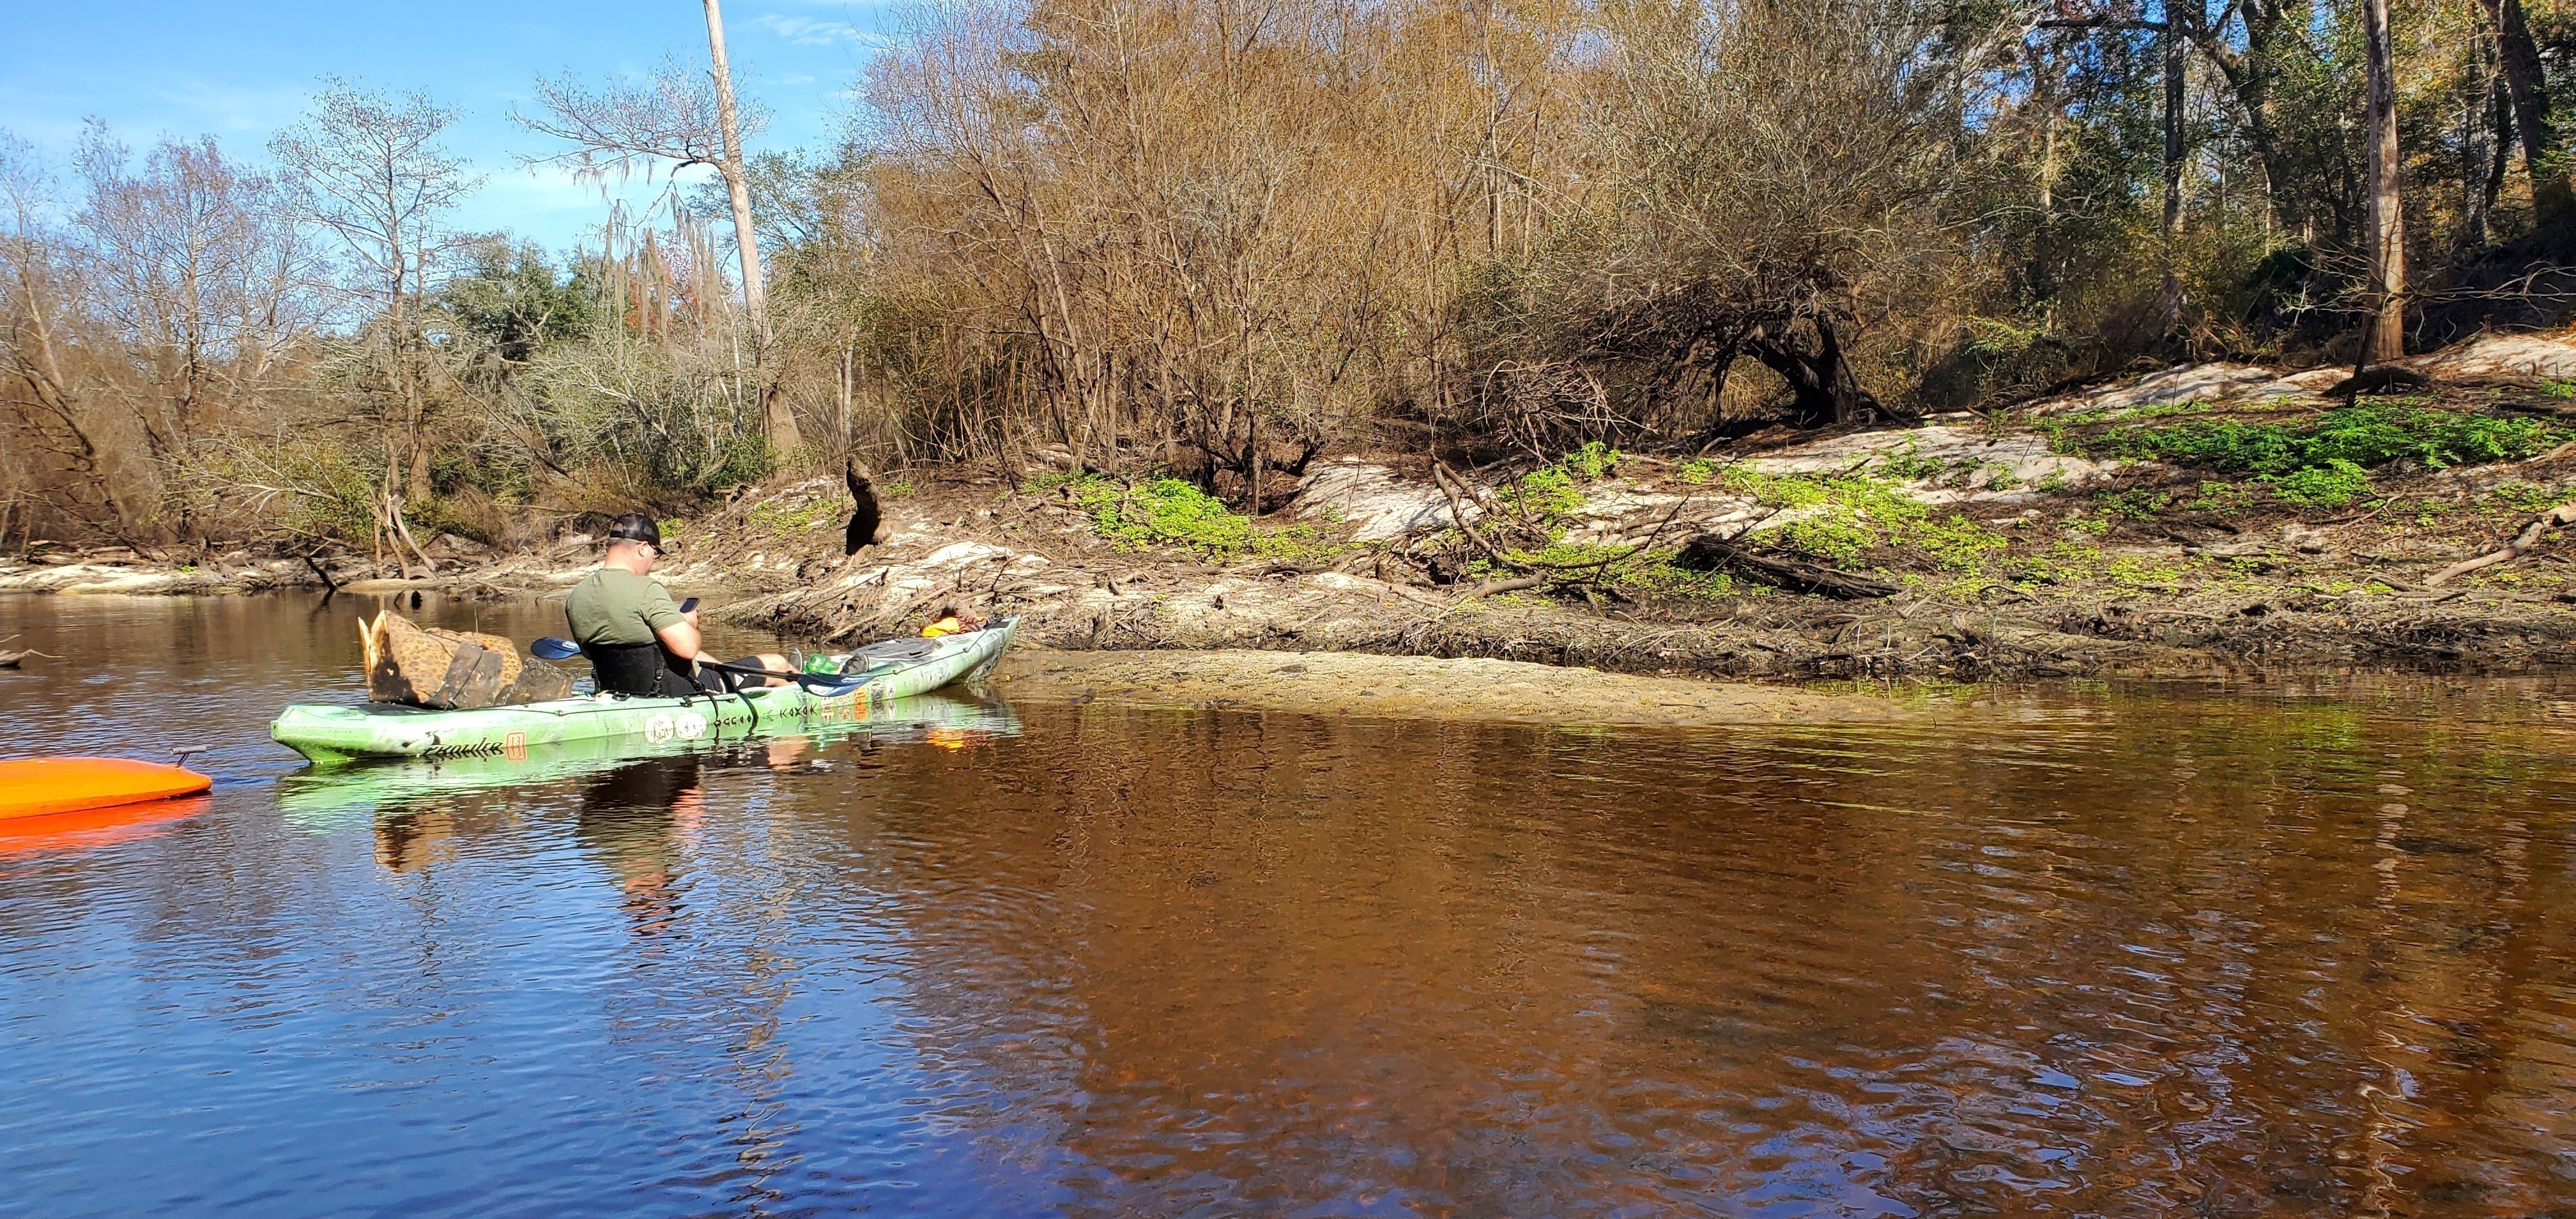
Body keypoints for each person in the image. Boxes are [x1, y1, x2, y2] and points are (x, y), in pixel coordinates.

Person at [563, 514, 792, 697]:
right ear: (643, 548)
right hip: (672, 691)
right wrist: (690, 625)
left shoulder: (576, 596)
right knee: (778, 664)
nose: (653, 561)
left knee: (688, 653)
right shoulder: (646, 589)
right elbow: (688, 649)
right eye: (655, 553)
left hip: (617, 689)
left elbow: (590, 652)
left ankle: (730, 676)